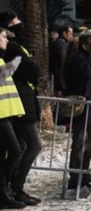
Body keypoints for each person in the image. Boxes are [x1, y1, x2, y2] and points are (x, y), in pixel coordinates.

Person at [0, 14, 43, 206]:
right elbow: (32, 69)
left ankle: (11, 190)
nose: (21, 25)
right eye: (16, 22)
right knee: (28, 147)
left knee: (22, 147)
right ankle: (12, 189)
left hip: (14, 108)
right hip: (12, 110)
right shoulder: (13, 48)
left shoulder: (10, 50)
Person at [62, 30, 91, 199]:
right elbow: (86, 76)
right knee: (80, 145)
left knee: (90, 147)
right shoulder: (80, 59)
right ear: (87, 45)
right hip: (83, 109)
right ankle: (76, 182)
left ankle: (85, 178)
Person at [0, 27, 26, 209]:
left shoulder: (1, 59)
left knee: (6, 153)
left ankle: (4, 192)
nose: (6, 40)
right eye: (2, 37)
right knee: (15, 150)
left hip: (7, 113)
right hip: (1, 116)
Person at [51, 25, 74, 95]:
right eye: (70, 34)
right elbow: (62, 62)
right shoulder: (61, 45)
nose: (71, 36)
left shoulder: (60, 44)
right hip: (60, 79)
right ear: (64, 33)